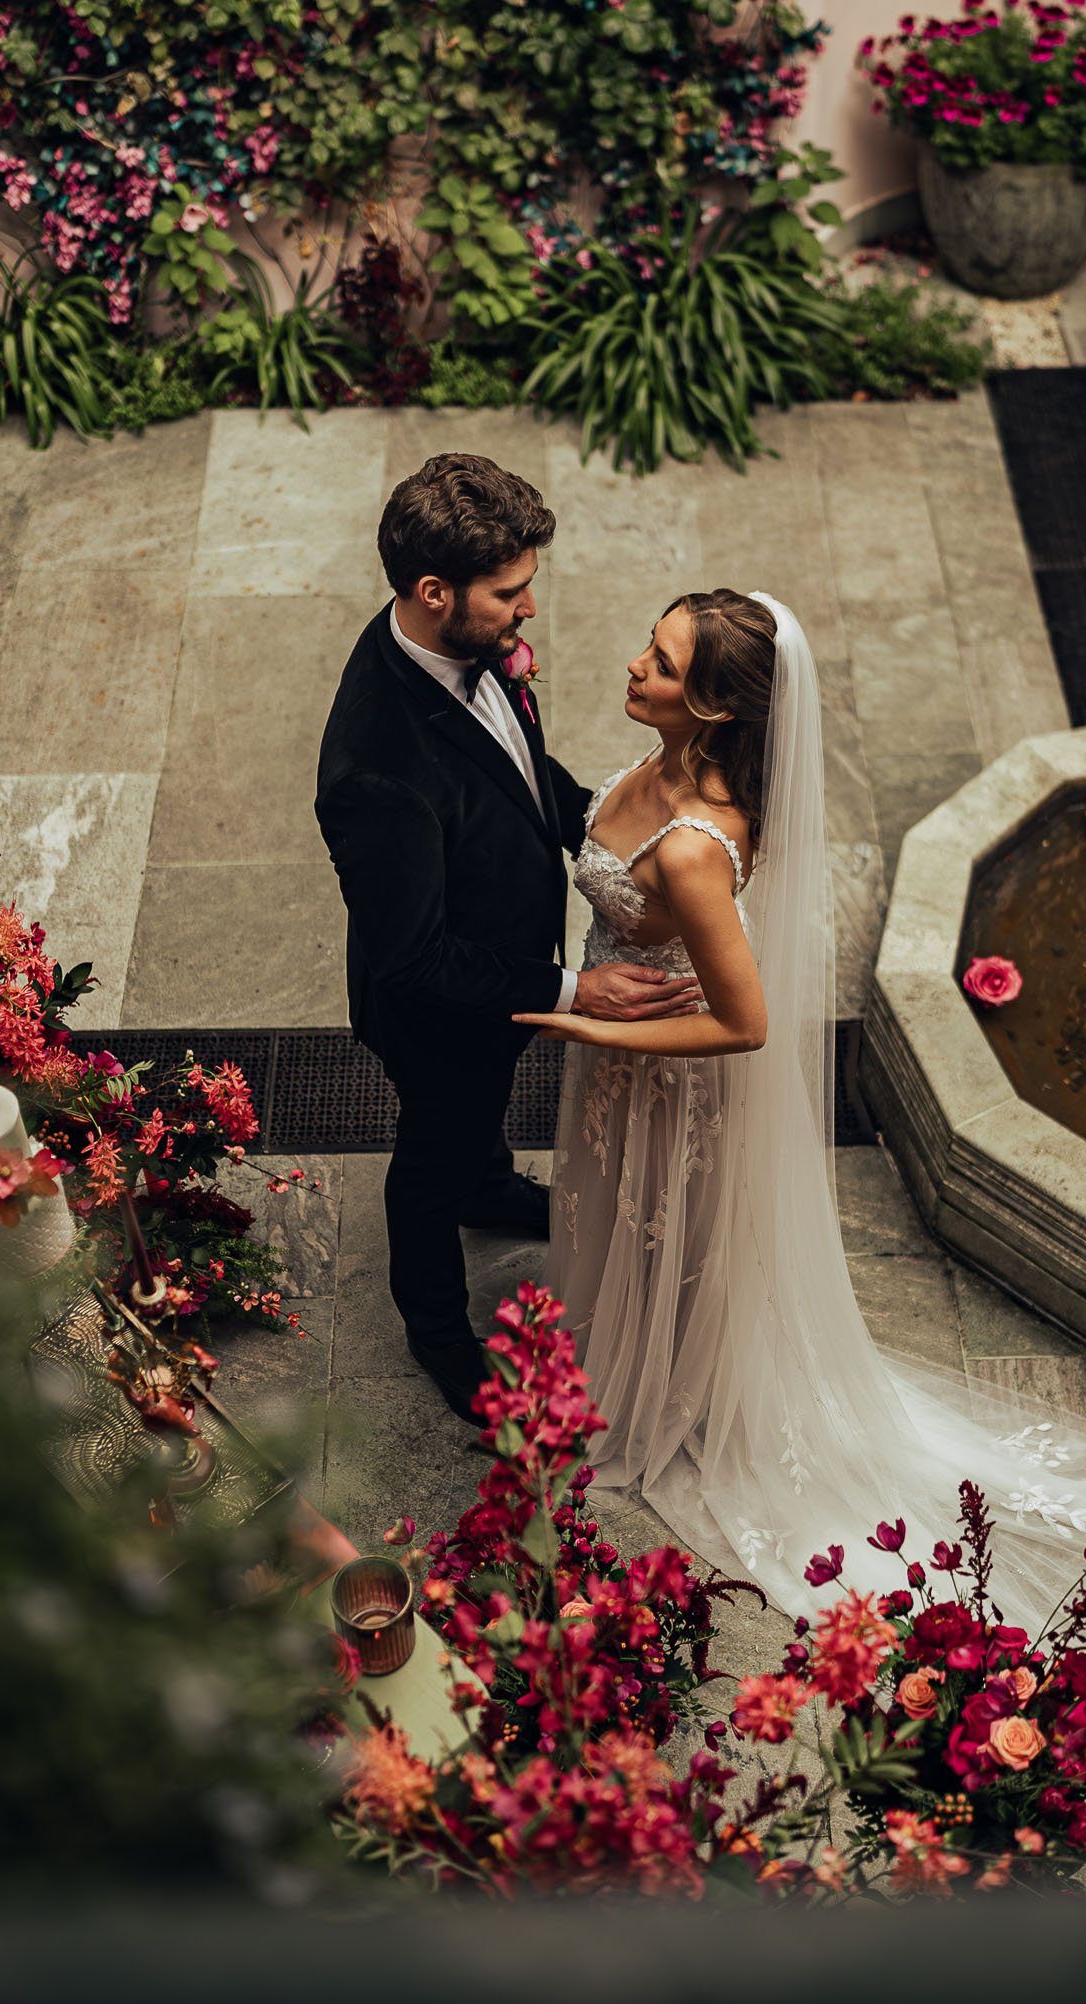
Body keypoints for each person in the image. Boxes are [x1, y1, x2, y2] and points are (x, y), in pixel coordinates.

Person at [517, 588, 1086, 1649]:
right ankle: (618, 1355)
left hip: (662, 1071)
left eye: (658, 663)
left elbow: (743, 1023)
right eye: (647, 648)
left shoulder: (698, 847)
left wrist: (602, 1035)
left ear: (712, 709)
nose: (631, 667)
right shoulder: (658, 768)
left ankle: (665, 1388)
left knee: (667, 1232)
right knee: (618, 1218)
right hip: (623, 1045)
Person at [314, 454, 700, 1423]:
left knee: (481, 1118)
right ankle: (440, 1332)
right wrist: (575, 990)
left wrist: (598, 824)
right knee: (429, 1155)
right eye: (511, 591)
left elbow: (518, 767)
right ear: (434, 591)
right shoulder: (379, 770)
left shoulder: (460, 642)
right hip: (441, 1011)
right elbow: (416, 958)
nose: (529, 609)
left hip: (500, 970)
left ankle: (488, 1187)